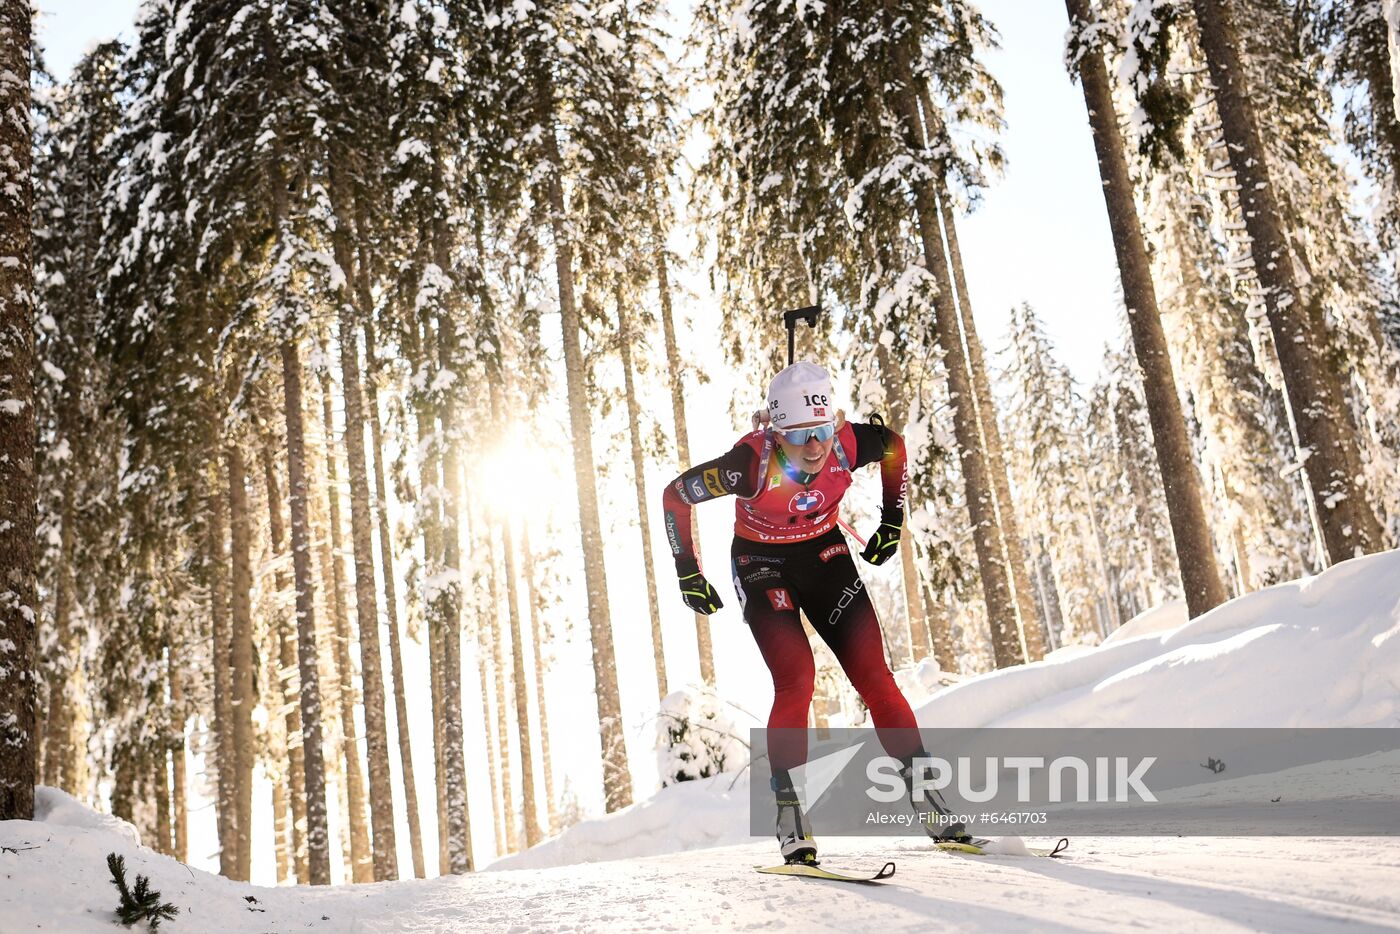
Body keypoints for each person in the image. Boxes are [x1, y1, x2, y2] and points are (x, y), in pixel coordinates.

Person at [661, 361, 965, 865]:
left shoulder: (847, 443)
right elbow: (675, 495)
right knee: (797, 679)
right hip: (761, 564)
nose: (815, 446)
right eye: (800, 435)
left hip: (825, 556)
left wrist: (892, 522)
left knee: (876, 678)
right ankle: (790, 814)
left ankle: (930, 800)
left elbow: (893, 446)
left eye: (822, 430)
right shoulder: (748, 464)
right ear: (775, 432)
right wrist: (687, 571)